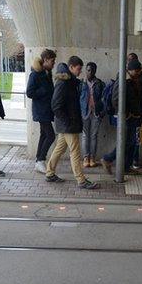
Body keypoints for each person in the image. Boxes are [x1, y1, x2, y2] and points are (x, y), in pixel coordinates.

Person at [47, 57, 99, 189]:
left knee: (59, 149)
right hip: (68, 124)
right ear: (71, 67)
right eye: (78, 69)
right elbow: (55, 105)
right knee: (75, 152)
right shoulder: (63, 83)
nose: (80, 71)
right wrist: (67, 121)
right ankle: (81, 180)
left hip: (67, 123)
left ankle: (49, 172)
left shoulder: (70, 82)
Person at [101, 59, 142, 177]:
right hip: (127, 118)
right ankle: (107, 159)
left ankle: (126, 167)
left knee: (131, 143)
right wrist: (126, 113)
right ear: (130, 70)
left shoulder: (133, 80)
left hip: (134, 117)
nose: (138, 73)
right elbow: (115, 99)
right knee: (125, 142)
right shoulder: (123, 80)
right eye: (137, 71)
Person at [27, 48, 56, 173]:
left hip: (46, 109)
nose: (54, 64)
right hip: (41, 110)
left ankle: (38, 161)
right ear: (45, 60)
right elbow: (29, 92)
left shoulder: (47, 73)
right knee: (50, 135)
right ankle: (40, 160)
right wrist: (44, 91)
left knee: (44, 135)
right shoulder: (35, 74)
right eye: (52, 61)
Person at [79, 61, 105, 168]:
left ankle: (92, 158)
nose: (90, 72)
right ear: (86, 70)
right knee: (85, 136)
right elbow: (77, 98)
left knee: (94, 136)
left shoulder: (100, 83)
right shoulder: (81, 83)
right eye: (88, 70)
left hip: (96, 113)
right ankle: (86, 158)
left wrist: (102, 112)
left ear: (95, 71)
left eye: (92, 70)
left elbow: (104, 99)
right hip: (84, 112)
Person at [127, 53, 142, 169]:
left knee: (136, 136)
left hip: (139, 112)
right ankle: (129, 161)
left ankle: (134, 160)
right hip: (129, 113)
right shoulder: (127, 76)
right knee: (130, 137)